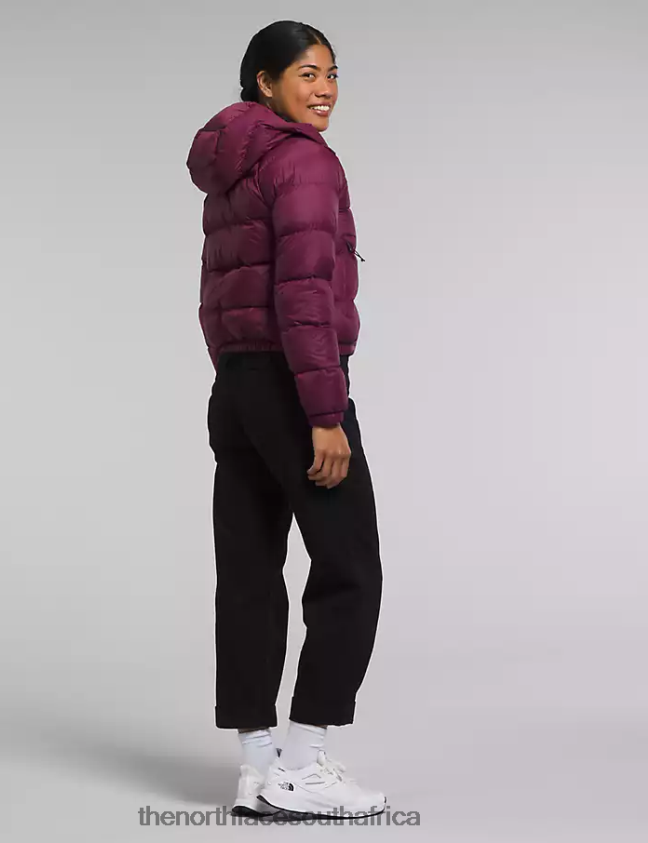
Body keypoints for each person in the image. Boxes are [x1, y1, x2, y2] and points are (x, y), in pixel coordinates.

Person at [186, 20, 385, 820]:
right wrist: (324, 412)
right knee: (350, 566)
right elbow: (303, 293)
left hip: (237, 382)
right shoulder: (303, 159)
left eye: (333, 74)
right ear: (265, 82)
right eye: (307, 73)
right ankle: (302, 766)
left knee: (248, 573)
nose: (325, 89)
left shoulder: (232, 165)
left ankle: (257, 766)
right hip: (294, 382)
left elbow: (217, 292)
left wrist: (240, 378)